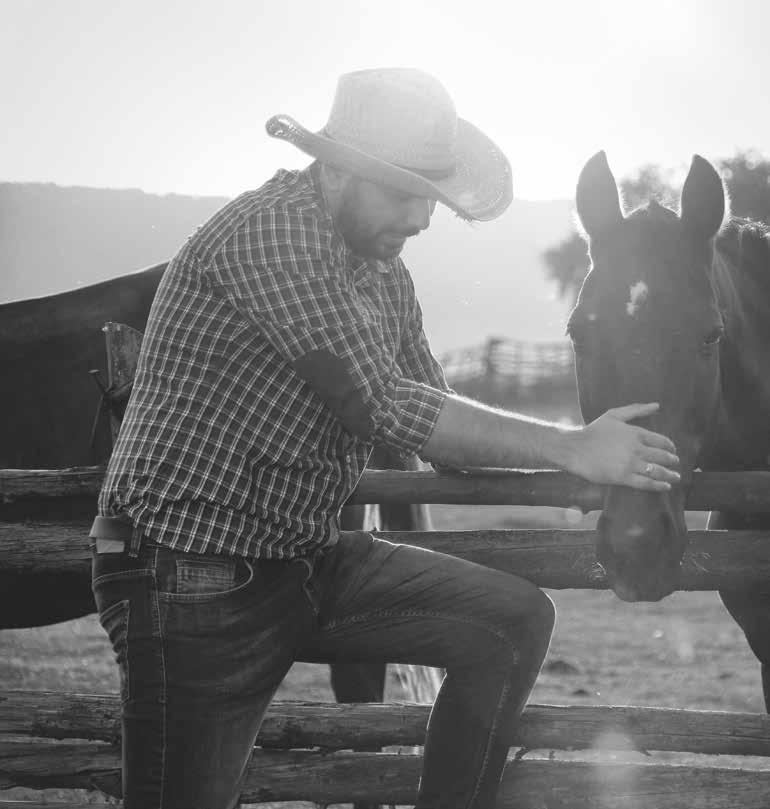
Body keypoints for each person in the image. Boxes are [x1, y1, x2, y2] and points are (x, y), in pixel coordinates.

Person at [91, 67, 680, 809]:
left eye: (429, 196)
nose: (422, 218)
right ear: (339, 171)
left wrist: (593, 467)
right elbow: (384, 403)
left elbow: (435, 413)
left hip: (299, 554)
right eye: (404, 193)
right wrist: (570, 446)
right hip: (187, 567)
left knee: (511, 620)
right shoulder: (271, 234)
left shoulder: (380, 271)